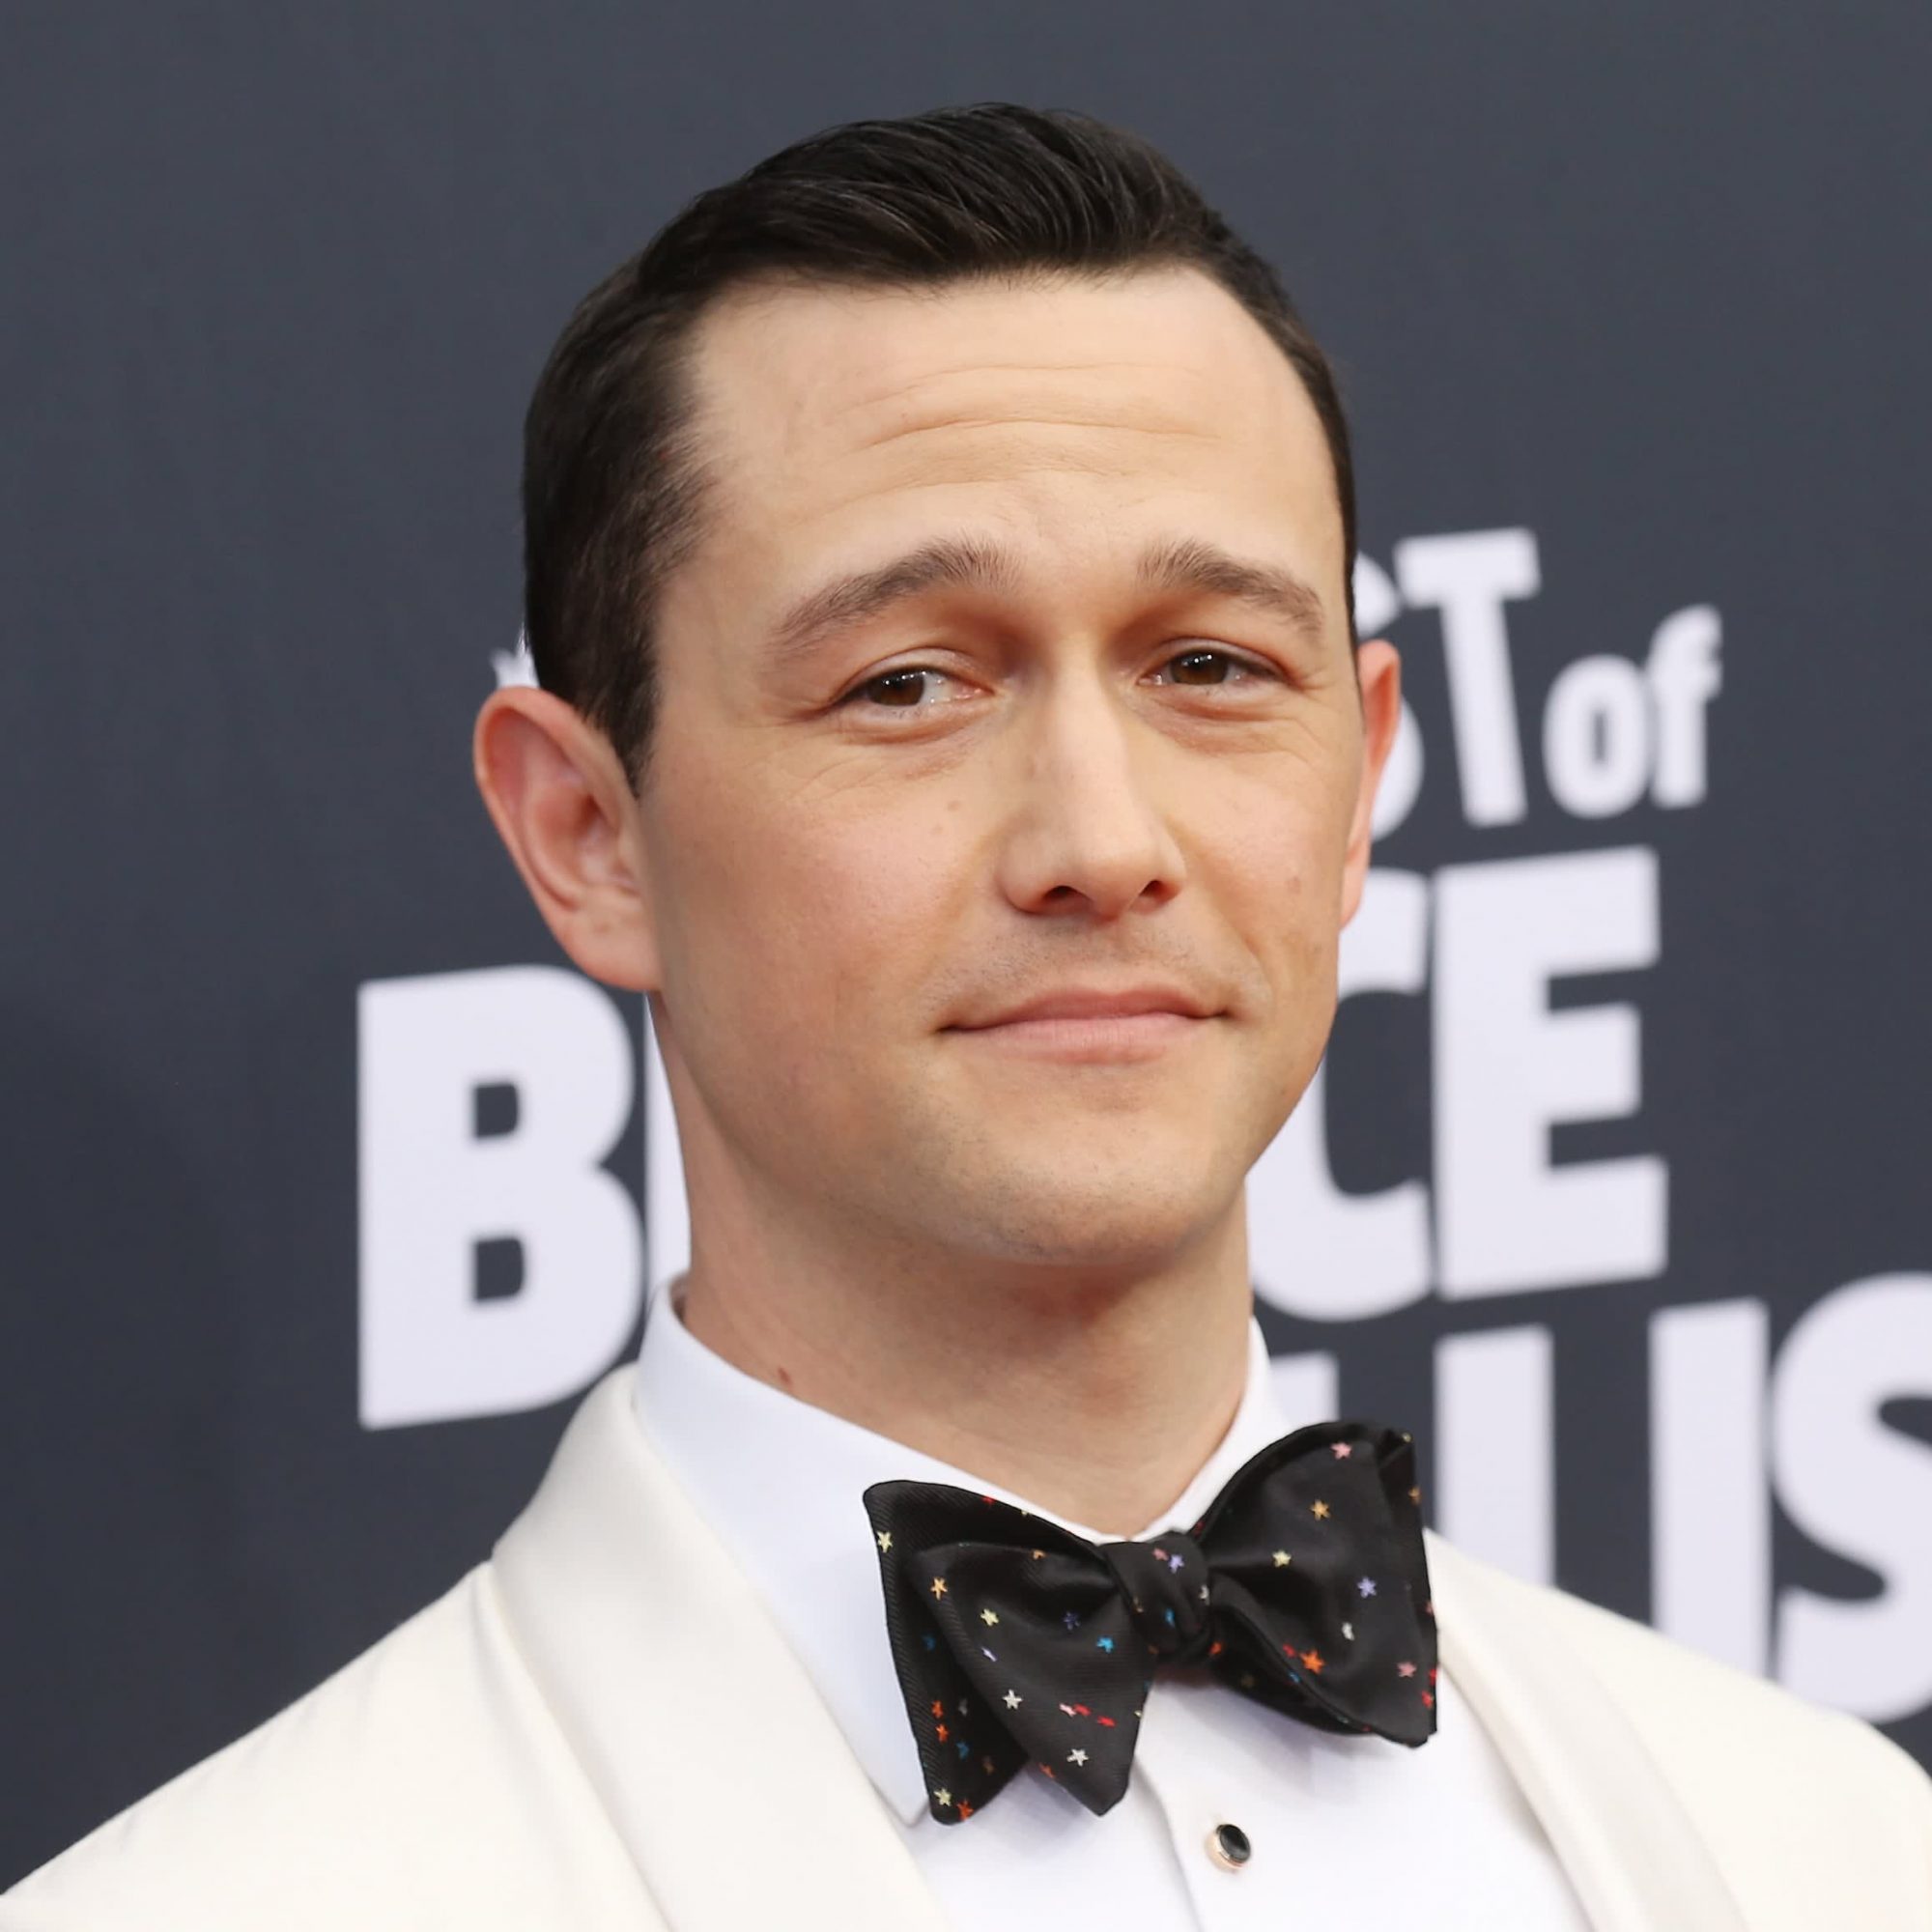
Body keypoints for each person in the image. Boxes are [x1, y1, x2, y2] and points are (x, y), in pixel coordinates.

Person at [7, 101, 1927, 1932]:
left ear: (1356, 785)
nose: (1101, 843)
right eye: (910, 685)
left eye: (1209, 665)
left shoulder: (1832, 1846)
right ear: (590, 835)